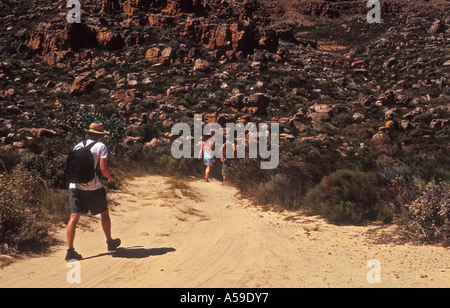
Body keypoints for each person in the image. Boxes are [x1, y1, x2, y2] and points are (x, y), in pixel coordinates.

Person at [65, 123, 121, 261]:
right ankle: (109, 242)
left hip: (75, 185)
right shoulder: (101, 146)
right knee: (104, 213)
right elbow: (104, 169)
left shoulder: (77, 146)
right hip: (92, 186)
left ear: (88, 133)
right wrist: (110, 177)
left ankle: (70, 250)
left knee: (74, 217)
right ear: (101, 136)